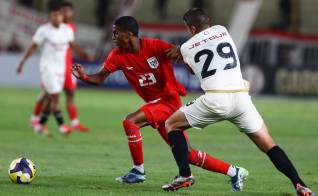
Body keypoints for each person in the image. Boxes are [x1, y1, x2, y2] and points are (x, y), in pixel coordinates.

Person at [72, 16, 249, 191]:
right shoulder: (117, 56)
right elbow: (101, 77)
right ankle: (234, 171)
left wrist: (186, 59)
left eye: (116, 33)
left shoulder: (155, 46)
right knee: (188, 155)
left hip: (169, 100)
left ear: (129, 34)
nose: (113, 37)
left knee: (130, 121)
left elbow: (183, 53)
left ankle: (138, 170)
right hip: (156, 105)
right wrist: (85, 77)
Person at [162, 8, 316, 196]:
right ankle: (299, 184)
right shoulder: (222, 30)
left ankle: (185, 175)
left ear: (192, 29)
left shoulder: (186, 47)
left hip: (216, 99)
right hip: (242, 99)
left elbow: (188, 58)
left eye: (187, 28)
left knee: (171, 124)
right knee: (269, 144)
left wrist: (177, 51)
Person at [29, 1, 90, 132]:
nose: (65, 13)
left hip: (67, 68)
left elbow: (71, 45)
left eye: (68, 11)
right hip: (52, 68)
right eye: (63, 11)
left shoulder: (70, 28)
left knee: (70, 94)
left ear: (72, 13)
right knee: (48, 95)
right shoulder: (50, 28)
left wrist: (83, 54)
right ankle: (36, 120)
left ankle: (74, 123)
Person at [17, 5, 75, 135]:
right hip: (48, 69)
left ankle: (39, 125)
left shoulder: (67, 30)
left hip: (60, 70)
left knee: (47, 97)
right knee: (54, 97)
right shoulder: (44, 30)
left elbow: (71, 46)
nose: (57, 17)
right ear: (50, 17)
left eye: (59, 15)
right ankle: (62, 126)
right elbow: (33, 46)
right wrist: (22, 62)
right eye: (54, 15)